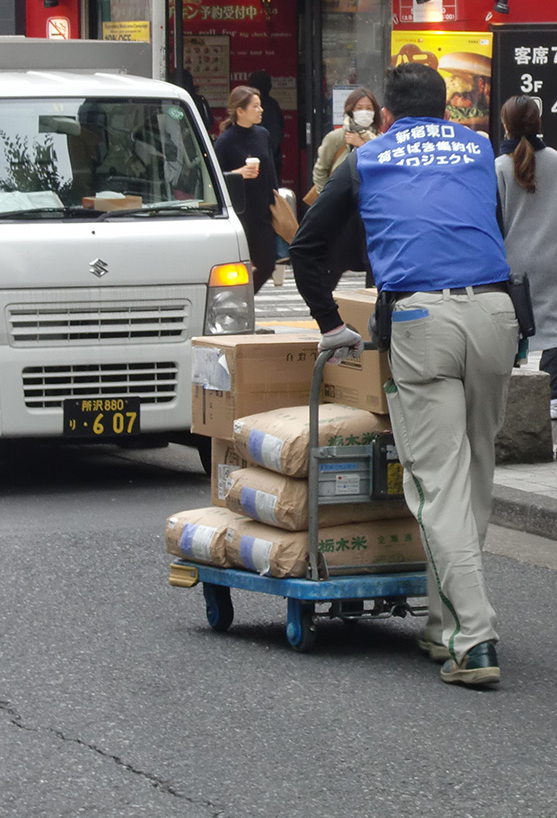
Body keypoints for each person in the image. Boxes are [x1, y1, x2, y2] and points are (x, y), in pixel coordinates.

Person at [288, 63, 519, 688]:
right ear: (449, 109)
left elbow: (306, 247)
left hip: (421, 317)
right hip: (497, 314)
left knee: (438, 481)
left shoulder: (365, 160)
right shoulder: (478, 148)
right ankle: (443, 626)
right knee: (474, 468)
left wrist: (330, 323)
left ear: (385, 113)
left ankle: (474, 638)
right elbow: (487, 224)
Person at [494, 95, 557, 416]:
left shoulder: (499, 168)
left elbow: (493, 219)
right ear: (539, 123)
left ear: (506, 126)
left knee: (511, 328)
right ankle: (555, 399)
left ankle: (511, 392)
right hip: (554, 260)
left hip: (512, 267)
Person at [311, 87, 380, 287]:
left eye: (369, 107)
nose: (365, 111)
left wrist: (363, 144)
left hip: (369, 210)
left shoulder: (381, 139)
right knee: (334, 262)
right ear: (350, 111)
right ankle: (323, 309)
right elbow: (320, 170)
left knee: (372, 263)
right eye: (360, 107)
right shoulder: (337, 137)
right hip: (342, 211)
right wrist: (327, 200)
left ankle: (373, 310)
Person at [213, 86, 277, 293]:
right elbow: (214, 179)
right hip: (239, 212)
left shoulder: (262, 134)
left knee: (268, 264)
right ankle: (234, 306)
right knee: (238, 266)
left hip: (262, 211)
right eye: (255, 106)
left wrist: (275, 200)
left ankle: (241, 298)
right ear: (240, 111)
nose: (261, 110)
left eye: (260, 106)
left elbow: (271, 171)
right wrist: (239, 172)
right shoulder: (225, 141)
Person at [248, 70, 284, 184]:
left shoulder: (272, 106)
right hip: (264, 163)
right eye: (255, 107)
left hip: (267, 163)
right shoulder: (272, 106)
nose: (260, 110)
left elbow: (275, 138)